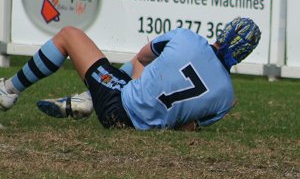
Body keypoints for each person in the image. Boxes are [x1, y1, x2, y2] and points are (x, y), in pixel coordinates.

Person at [0, 17, 261, 130]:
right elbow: (187, 127)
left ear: (224, 31)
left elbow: (143, 58)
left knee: (69, 35)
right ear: (244, 53)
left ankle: (9, 90)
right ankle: (87, 97)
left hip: (118, 106)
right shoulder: (227, 98)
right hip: (143, 126)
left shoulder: (187, 37)